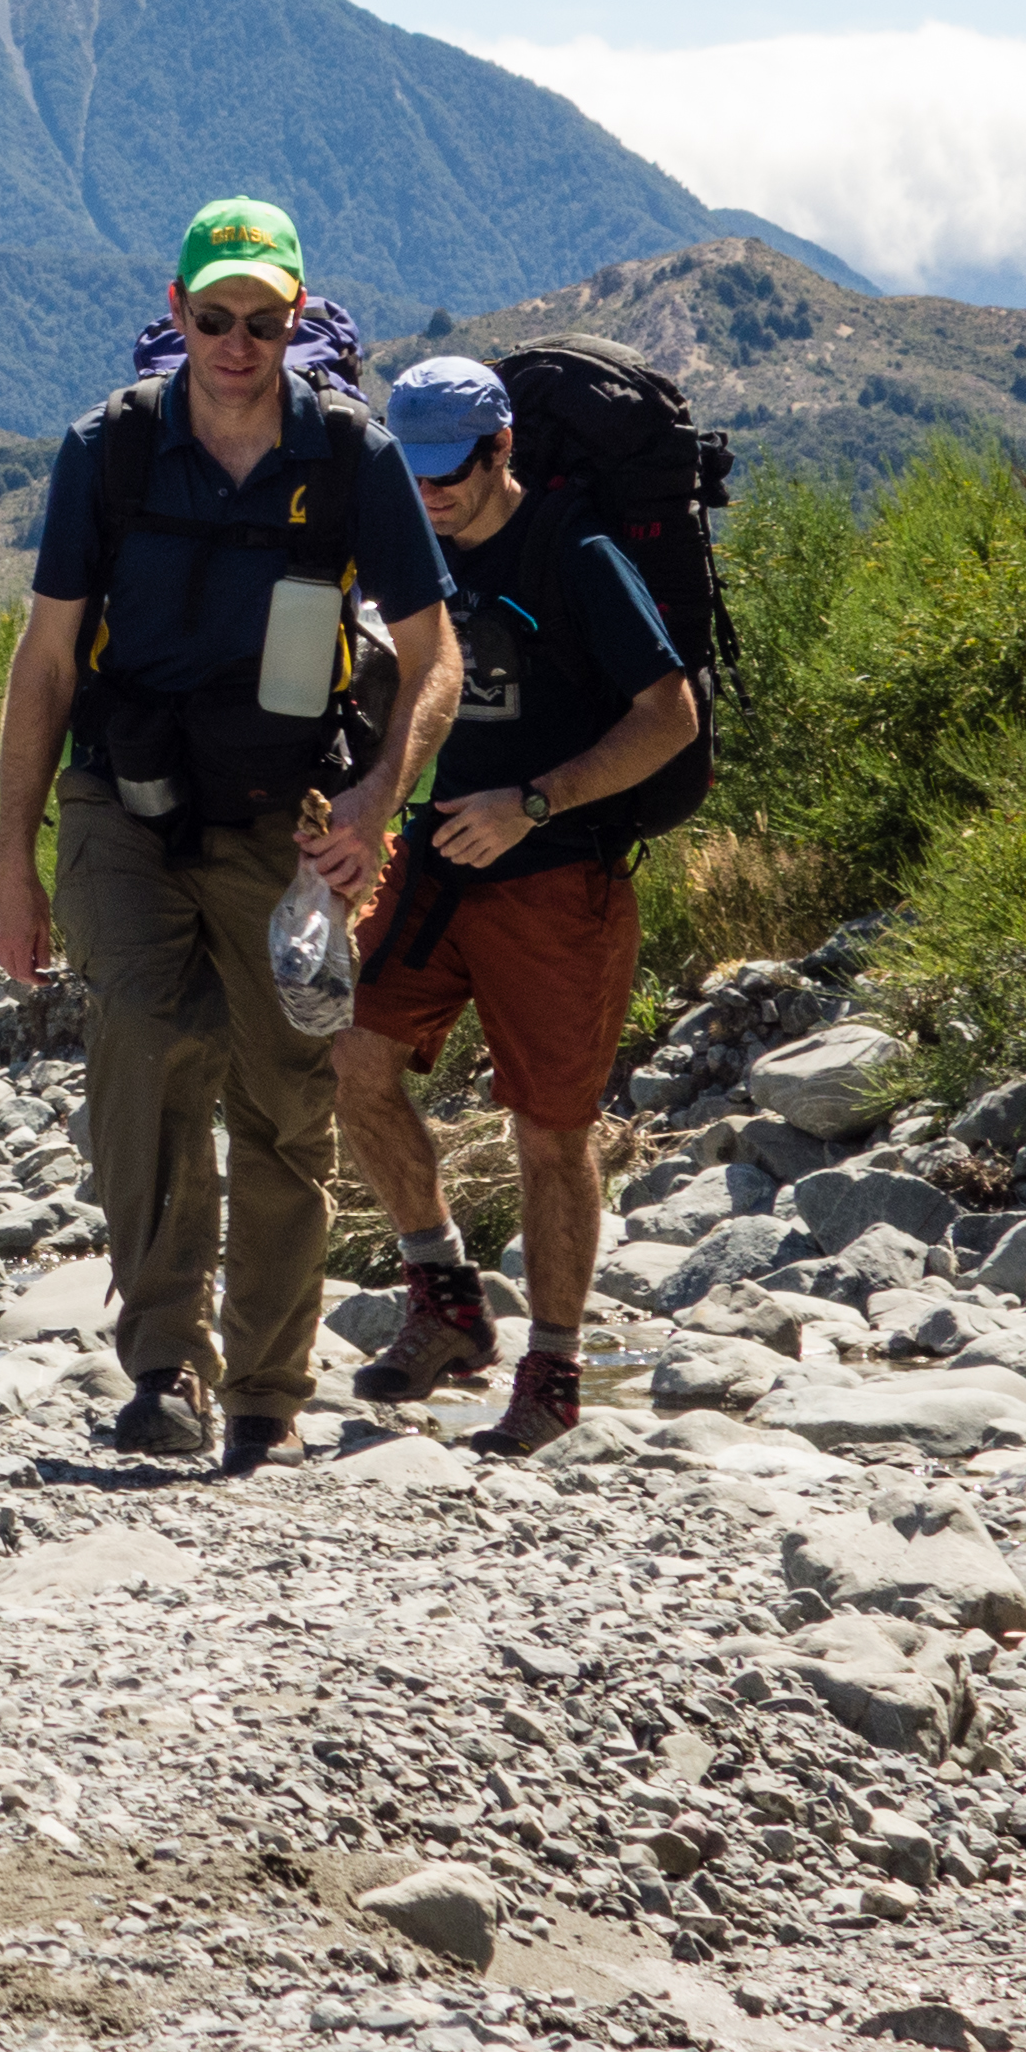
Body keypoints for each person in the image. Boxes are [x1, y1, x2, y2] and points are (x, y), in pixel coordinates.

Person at [0, 199, 458, 1474]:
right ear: (177, 311)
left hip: (288, 823)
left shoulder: (352, 458)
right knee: (144, 1069)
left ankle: (265, 1389)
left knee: (285, 1096)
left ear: (296, 318)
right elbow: (42, 663)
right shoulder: (110, 450)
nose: (236, 341)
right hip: (119, 808)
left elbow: (433, 658)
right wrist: (10, 864)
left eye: (261, 319)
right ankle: (162, 1373)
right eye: (213, 317)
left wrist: (377, 802)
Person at [331, 357, 706, 1457]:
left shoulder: (577, 551)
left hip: (557, 877)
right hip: (433, 864)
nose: (431, 494)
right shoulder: (408, 550)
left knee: (549, 1130)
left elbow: (670, 715)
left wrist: (534, 800)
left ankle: (551, 1370)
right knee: (351, 1060)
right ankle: (444, 1296)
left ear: (502, 452)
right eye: (415, 474)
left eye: (450, 472)